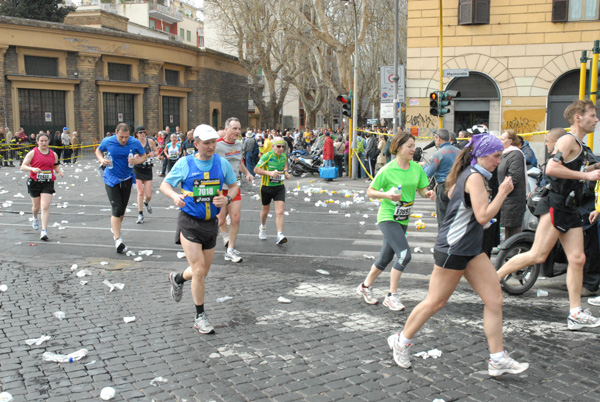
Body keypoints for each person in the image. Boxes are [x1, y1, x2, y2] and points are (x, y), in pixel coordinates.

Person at [389, 133, 530, 376]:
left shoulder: (474, 175)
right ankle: (401, 341)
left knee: (495, 300)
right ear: (483, 155)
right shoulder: (474, 177)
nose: (499, 160)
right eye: (496, 156)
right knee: (436, 301)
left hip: (471, 250)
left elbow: (469, 211)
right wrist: (503, 192)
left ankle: (497, 358)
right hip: (453, 250)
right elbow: (483, 215)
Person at [497, 99, 600, 330]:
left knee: (577, 259)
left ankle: (575, 313)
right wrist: (587, 177)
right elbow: (552, 168)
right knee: (537, 255)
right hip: (556, 204)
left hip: (570, 207)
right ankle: (492, 282)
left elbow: (576, 169)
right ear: (578, 118)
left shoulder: (580, 146)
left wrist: (592, 170)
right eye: (592, 115)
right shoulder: (567, 139)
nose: (596, 120)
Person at [163, 124, 238, 335]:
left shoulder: (221, 164)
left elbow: (233, 185)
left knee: (202, 272)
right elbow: (165, 185)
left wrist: (228, 198)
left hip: (210, 224)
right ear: (195, 144)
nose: (211, 146)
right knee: (198, 270)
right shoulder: (185, 163)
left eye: (214, 142)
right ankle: (200, 316)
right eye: (206, 143)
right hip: (189, 222)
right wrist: (175, 196)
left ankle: (177, 279)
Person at [356, 132, 433, 311]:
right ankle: (391, 296)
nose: (413, 150)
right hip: (387, 217)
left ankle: (364, 287)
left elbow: (421, 189)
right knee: (405, 254)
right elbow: (370, 191)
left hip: (402, 217)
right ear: (398, 148)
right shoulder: (388, 169)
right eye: (409, 146)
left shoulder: (417, 169)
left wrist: (427, 193)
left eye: (414, 146)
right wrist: (387, 195)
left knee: (385, 257)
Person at [95, 123, 147, 253]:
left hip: (127, 178)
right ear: (115, 133)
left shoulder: (134, 142)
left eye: (126, 137)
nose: (124, 140)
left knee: (122, 211)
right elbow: (98, 150)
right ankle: (118, 240)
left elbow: (144, 156)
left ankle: (115, 227)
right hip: (111, 179)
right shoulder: (108, 141)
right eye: (121, 137)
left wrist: (137, 161)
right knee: (116, 208)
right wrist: (101, 160)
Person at [216, 117, 254, 263]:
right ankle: (225, 234)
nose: (238, 132)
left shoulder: (239, 144)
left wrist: (248, 173)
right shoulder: (217, 145)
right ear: (226, 129)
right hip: (219, 188)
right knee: (220, 221)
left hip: (234, 186)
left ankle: (230, 250)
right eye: (235, 129)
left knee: (236, 218)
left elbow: (239, 163)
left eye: (239, 129)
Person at [20, 132, 64, 241]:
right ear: (37, 142)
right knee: (36, 207)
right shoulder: (32, 153)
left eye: (45, 141)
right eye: (41, 141)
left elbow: (55, 165)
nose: (44, 143)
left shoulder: (53, 154)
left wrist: (59, 171)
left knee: (45, 206)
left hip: (48, 181)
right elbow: (23, 166)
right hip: (35, 181)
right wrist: (32, 169)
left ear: (48, 141)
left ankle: (44, 230)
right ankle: (35, 217)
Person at [254, 137, 290, 244]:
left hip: (279, 187)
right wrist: (270, 173)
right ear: (273, 146)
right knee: (265, 211)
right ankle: (263, 226)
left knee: (280, 211)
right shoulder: (267, 156)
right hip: (266, 187)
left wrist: (286, 172)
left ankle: (279, 234)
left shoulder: (283, 156)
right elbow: (256, 169)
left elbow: (284, 166)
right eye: (278, 146)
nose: (281, 149)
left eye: (283, 147)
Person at [422, 128, 460, 226]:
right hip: (458, 186)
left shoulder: (438, 154)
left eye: (435, 139)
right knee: (455, 218)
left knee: (443, 219)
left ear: (438, 138)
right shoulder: (459, 152)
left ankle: (443, 239)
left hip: (443, 187)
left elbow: (429, 173)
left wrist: (424, 166)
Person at [498, 129, 527, 239]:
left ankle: (514, 249)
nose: (500, 141)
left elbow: (514, 176)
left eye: (503, 139)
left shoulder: (515, 154)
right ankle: (508, 249)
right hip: (507, 195)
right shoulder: (505, 154)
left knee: (514, 226)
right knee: (508, 226)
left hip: (513, 196)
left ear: (510, 141)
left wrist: (503, 189)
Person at [133, 126, 158, 224]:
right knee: (140, 192)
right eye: (140, 132)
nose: (142, 134)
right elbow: (129, 153)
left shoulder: (150, 142)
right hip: (137, 169)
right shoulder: (134, 142)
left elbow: (156, 151)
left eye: (144, 132)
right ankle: (140, 214)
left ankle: (146, 202)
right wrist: (134, 156)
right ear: (136, 134)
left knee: (148, 195)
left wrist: (153, 154)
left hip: (147, 169)